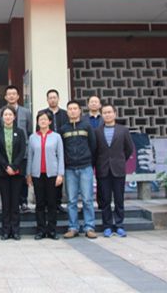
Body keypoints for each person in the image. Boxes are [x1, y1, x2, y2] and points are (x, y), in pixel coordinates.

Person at [94, 104, 134, 238]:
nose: (107, 115)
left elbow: (129, 149)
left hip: (118, 169)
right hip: (103, 169)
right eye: (104, 113)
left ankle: (119, 225)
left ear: (115, 114)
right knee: (105, 200)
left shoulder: (123, 130)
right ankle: (107, 226)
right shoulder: (97, 131)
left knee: (119, 199)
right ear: (102, 115)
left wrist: (120, 160)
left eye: (109, 112)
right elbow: (95, 151)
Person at [59, 100, 97, 239]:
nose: (73, 111)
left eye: (75, 108)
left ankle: (89, 227)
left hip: (85, 167)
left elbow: (93, 146)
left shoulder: (87, 127)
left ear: (80, 111)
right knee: (71, 200)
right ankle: (73, 227)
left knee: (87, 199)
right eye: (70, 109)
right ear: (67, 111)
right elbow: (61, 149)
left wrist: (89, 162)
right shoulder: (63, 129)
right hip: (70, 169)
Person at [27, 110, 64, 240]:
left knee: (52, 203)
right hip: (37, 175)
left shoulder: (56, 137)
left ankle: (52, 230)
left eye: (45, 119)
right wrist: (28, 174)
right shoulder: (33, 137)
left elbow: (60, 156)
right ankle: (41, 230)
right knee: (40, 204)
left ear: (49, 121)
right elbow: (30, 157)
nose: (42, 121)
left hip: (52, 174)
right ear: (37, 122)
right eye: (40, 119)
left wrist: (60, 174)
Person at [0, 85, 33, 214]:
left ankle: (23, 202)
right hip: (5, 153)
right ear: (5, 97)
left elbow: (29, 131)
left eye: (14, 94)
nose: (11, 96)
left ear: (18, 96)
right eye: (9, 94)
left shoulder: (26, 112)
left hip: (22, 152)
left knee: (21, 179)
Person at [0, 106, 27, 240]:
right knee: (5, 203)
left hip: (17, 172)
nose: (7, 117)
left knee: (15, 202)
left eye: (10, 114)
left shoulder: (20, 132)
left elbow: (22, 151)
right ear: (2, 117)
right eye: (5, 115)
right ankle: (6, 230)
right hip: (2, 172)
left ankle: (16, 230)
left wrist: (14, 166)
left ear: (14, 117)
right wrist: (6, 166)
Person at [39, 89, 68, 213]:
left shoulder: (65, 114)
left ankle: (58, 202)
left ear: (58, 98)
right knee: (47, 178)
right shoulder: (43, 113)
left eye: (54, 97)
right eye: (50, 98)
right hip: (46, 149)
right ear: (47, 100)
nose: (52, 100)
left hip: (61, 147)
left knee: (58, 177)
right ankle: (47, 203)